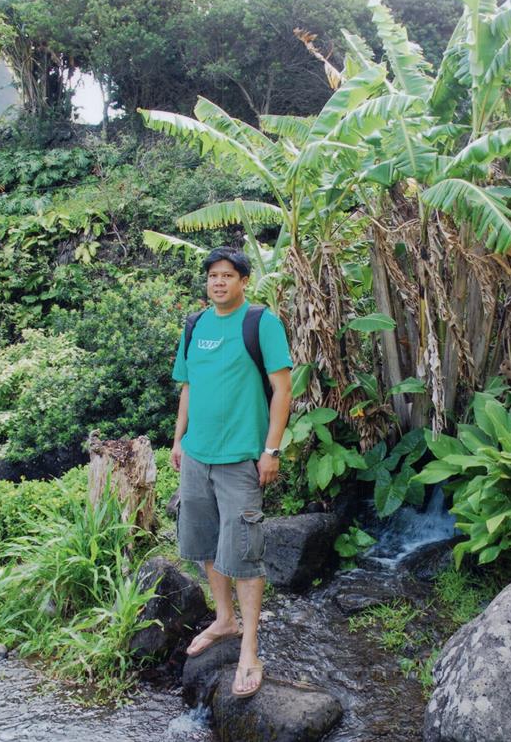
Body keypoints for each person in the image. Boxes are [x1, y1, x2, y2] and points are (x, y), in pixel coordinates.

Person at [171, 246, 292, 698]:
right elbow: (188, 387)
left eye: (227, 275)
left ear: (243, 280)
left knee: (243, 551)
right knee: (203, 541)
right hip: (197, 456)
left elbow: (283, 390)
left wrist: (271, 450)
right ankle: (224, 620)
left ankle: (249, 649)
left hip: (241, 456)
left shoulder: (261, 323)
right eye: (212, 276)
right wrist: (178, 439)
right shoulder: (194, 325)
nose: (218, 282)